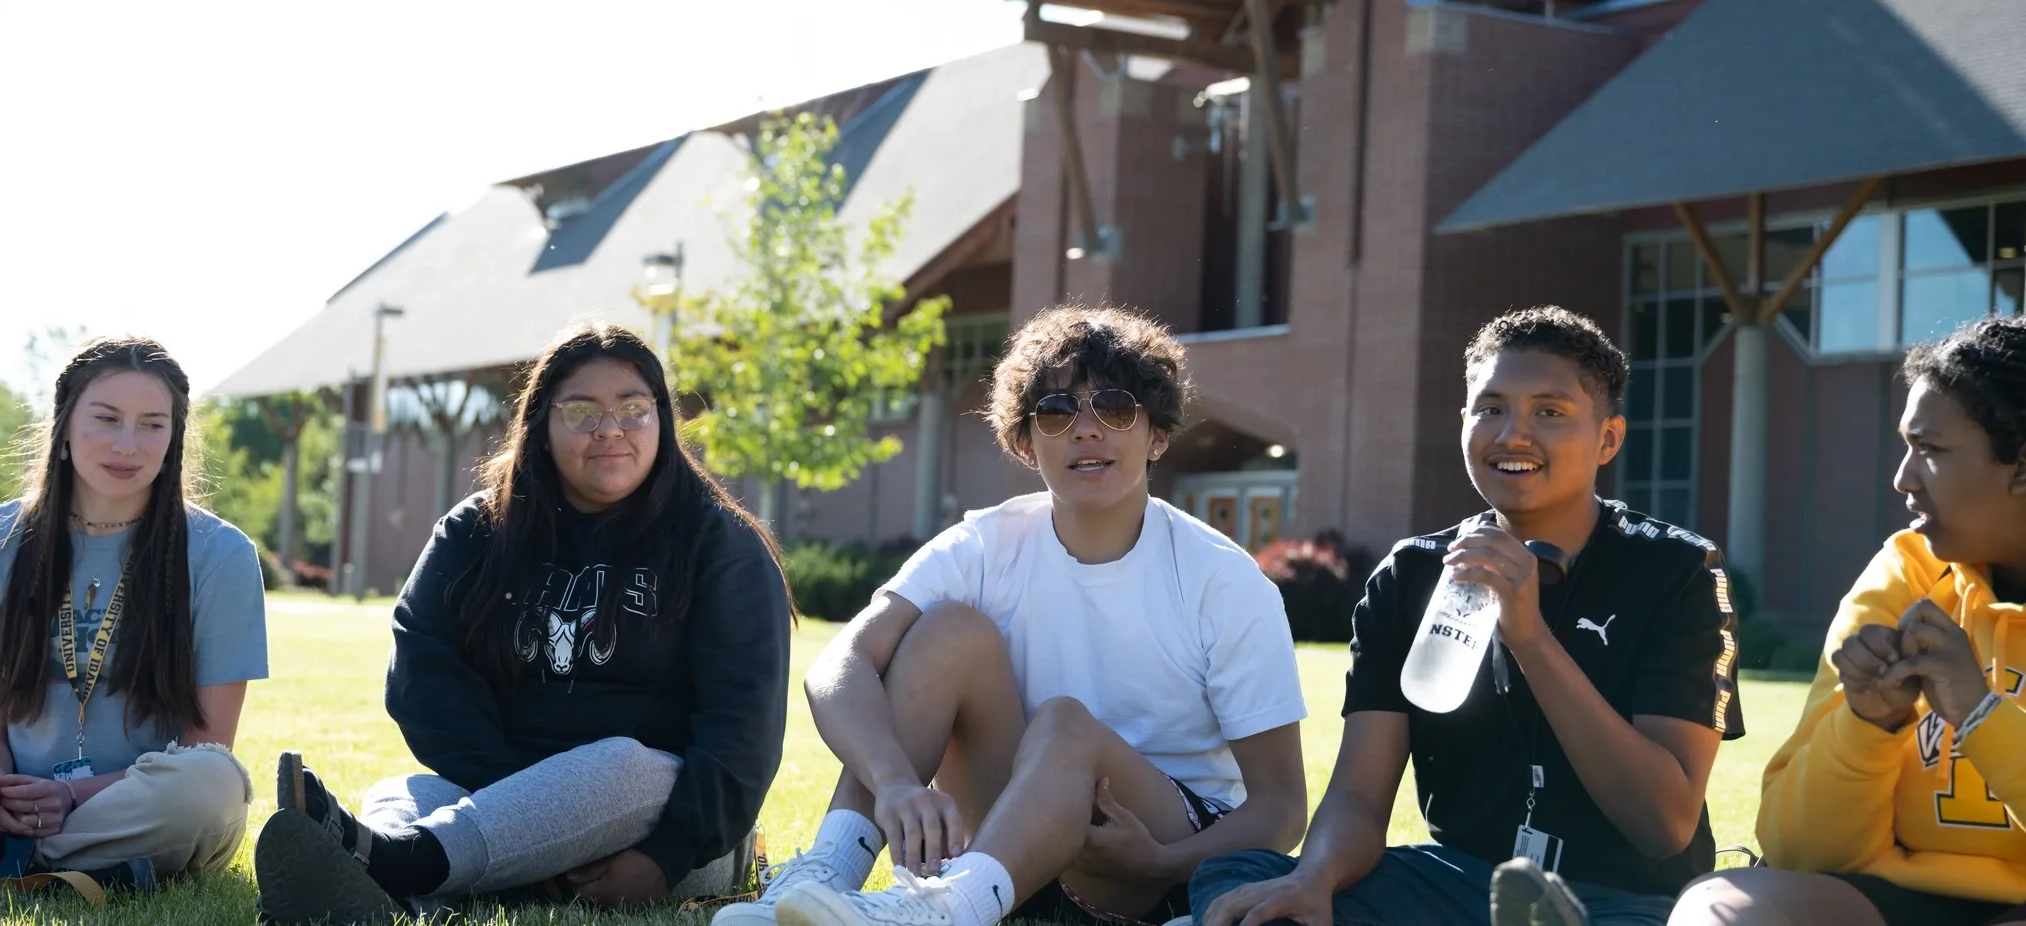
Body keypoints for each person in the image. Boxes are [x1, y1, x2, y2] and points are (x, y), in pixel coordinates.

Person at [717, 305, 1308, 926]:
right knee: (948, 633)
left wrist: (1162, 862)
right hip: (1014, 849)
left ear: (1157, 433)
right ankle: (827, 875)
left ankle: (942, 912)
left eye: (1114, 408)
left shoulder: (1223, 578)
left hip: (1155, 860)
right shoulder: (986, 544)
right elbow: (841, 663)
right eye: (1057, 413)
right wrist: (894, 781)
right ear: (1027, 443)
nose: (1086, 430)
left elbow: (1282, 808)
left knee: (1065, 727)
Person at [1191, 307, 1744, 926]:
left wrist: (1531, 639)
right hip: (1456, 886)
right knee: (1238, 872)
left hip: (1620, 901)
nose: (1513, 434)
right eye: (1491, 409)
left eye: (1550, 412)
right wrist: (1314, 881)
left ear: (1608, 439)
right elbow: (1358, 796)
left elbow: (1662, 824)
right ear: (1463, 424)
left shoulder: (1675, 570)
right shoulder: (1411, 576)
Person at [253, 324, 792, 924]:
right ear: (542, 422)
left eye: (633, 408)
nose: (609, 428)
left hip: (668, 826)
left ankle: (393, 866)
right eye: (582, 410)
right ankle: (379, 884)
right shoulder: (477, 531)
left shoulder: (721, 545)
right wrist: (519, 805)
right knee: (405, 794)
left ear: (663, 420)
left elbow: (744, 725)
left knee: (625, 763)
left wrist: (665, 857)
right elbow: (423, 673)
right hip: (494, 801)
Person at [1670, 316, 2026, 926]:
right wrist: (1869, 725)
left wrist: (1980, 712)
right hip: (1898, 900)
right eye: (1907, 445)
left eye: (1932, 450)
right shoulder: (1907, 573)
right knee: (1722, 906)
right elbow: (1800, 853)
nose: (1902, 478)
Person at [0, 336, 267, 886]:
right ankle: (46, 856)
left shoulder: (221, 554)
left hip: (139, 802)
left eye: (153, 424)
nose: (127, 445)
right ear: (63, 424)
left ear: (174, 437)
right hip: (8, 795)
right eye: (107, 418)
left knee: (212, 783)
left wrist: (67, 795)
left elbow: (207, 742)